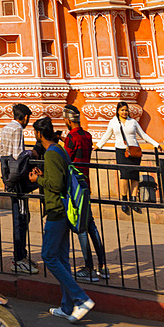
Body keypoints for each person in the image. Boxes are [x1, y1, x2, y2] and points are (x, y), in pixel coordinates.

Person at [28, 117, 94, 323]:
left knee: (48, 256)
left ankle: (81, 298)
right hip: (64, 211)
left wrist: (37, 179)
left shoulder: (51, 154)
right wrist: (44, 175)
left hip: (57, 211)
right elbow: (59, 178)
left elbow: (55, 185)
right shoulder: (59, 149)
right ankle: (67, 307)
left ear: (38, 134)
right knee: (63, 259)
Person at [62, 105, 108, 282]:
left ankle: (88, 268)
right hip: (85, 182)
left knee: (81, 227)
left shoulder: (71, 137)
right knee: (91, 225)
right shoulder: (87, 135)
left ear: (67, 120)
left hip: (75, 186)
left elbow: (67, 158)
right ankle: (102, 266)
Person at [96, 101, 162, 214]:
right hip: (121, 151)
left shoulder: (133, 122)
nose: (124, 112)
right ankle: (124, 200)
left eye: (126, 110)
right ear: (118, 111)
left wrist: (156, 144)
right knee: (124, 176)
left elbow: (143, 134)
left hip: (134, 151)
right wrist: (98, 145)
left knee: (134, 176)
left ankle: (133, 200)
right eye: (122, 110)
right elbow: (107, 134)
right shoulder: (113, 122)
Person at [0, 103, 37, 275]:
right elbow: (18, 156)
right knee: (21, 218)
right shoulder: (18, 130)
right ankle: (19, 258)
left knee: (21, 217)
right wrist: (30, 154)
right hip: (17, 180)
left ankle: (21, 255)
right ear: (26, 117)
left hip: (8, 176)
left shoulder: (6, 128)